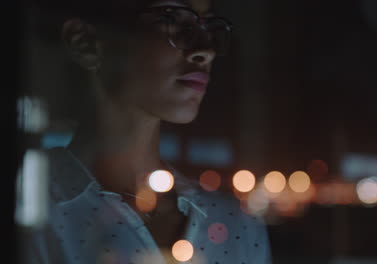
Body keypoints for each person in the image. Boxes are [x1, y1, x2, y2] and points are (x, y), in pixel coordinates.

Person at [21, 0, 272, 263]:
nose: (205, 49)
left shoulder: (237, 225)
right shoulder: (31, 210)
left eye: (208, 26)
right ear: (85, 41)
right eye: (171, 18)